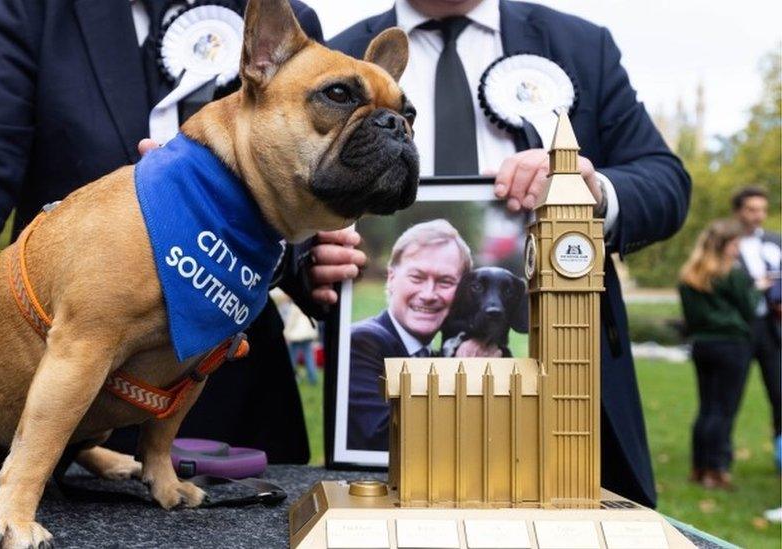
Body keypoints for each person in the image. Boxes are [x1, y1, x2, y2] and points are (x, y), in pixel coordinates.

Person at [0, 0, 368, 464]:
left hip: (228, 405)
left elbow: (307, 178)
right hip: (48, 390)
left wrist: (307, 259)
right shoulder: (38, 10)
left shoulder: (283, 19)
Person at [332, 0, 691, 506]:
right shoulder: (338, 52)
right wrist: (311, 255)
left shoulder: (580, 45)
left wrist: (593, 189)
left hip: (572, 409)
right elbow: (279, 196)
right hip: (383, 452)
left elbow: (666, 182)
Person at [348, 219, 472, 450]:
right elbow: (380, 438)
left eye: (445, 281)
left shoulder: (434, 353)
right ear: (392, 278)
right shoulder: (362, 342)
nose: (428, 294)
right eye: (417, 277)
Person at [678, 219, 763, 490]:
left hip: (703, 345)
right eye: (735, 244)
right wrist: (757, 288)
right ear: (724, 246)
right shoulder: (732, 274)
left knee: (706, 407)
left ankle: (699, 465)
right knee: (724, 409)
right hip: (732, 345)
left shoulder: (690, 274)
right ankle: (716, 469)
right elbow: (749, 308)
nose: (737, 250)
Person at [731, 186, 782, 467]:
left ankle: (780, 457)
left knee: (780, 394)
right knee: (728, 398)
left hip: (771, 329)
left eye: (762, 209)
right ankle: (717, 464)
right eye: (751, 209)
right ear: (739, 211)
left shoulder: (776, 242)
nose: (757, 216)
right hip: (739, 327)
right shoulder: (726, 244)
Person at [275, 289, 320, 385]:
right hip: (308, 335)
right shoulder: (310, 303)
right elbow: (314, 319)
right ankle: (313, 379)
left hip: (296, 335)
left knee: (291, 358)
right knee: (309, 357)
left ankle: (287, 378)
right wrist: (315, 332)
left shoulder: (295, 306)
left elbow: (291, 322)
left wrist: (286, 334)